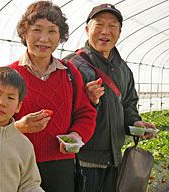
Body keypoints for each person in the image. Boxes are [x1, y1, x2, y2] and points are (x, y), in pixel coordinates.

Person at [64, 3, 157, 192]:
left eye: (112, 26)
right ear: (87, 29)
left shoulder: (124, 69)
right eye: (99, 24)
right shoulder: (72, 66)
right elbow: (63, 112)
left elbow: (129, 105)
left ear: (120, 32)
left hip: (115, 160)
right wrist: (88, 101)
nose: (105, 31)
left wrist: (136, 124)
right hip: (82, 162)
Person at [9, 1, 97, 192]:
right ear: (25, 33)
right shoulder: (10, 75)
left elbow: (85, 113)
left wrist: (75, 135)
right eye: (36, 30)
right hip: (18, 165)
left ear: (60, 36)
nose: (44, 38)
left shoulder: (70, 73)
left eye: (52, 31)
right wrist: (19, 127)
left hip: (62, 167)